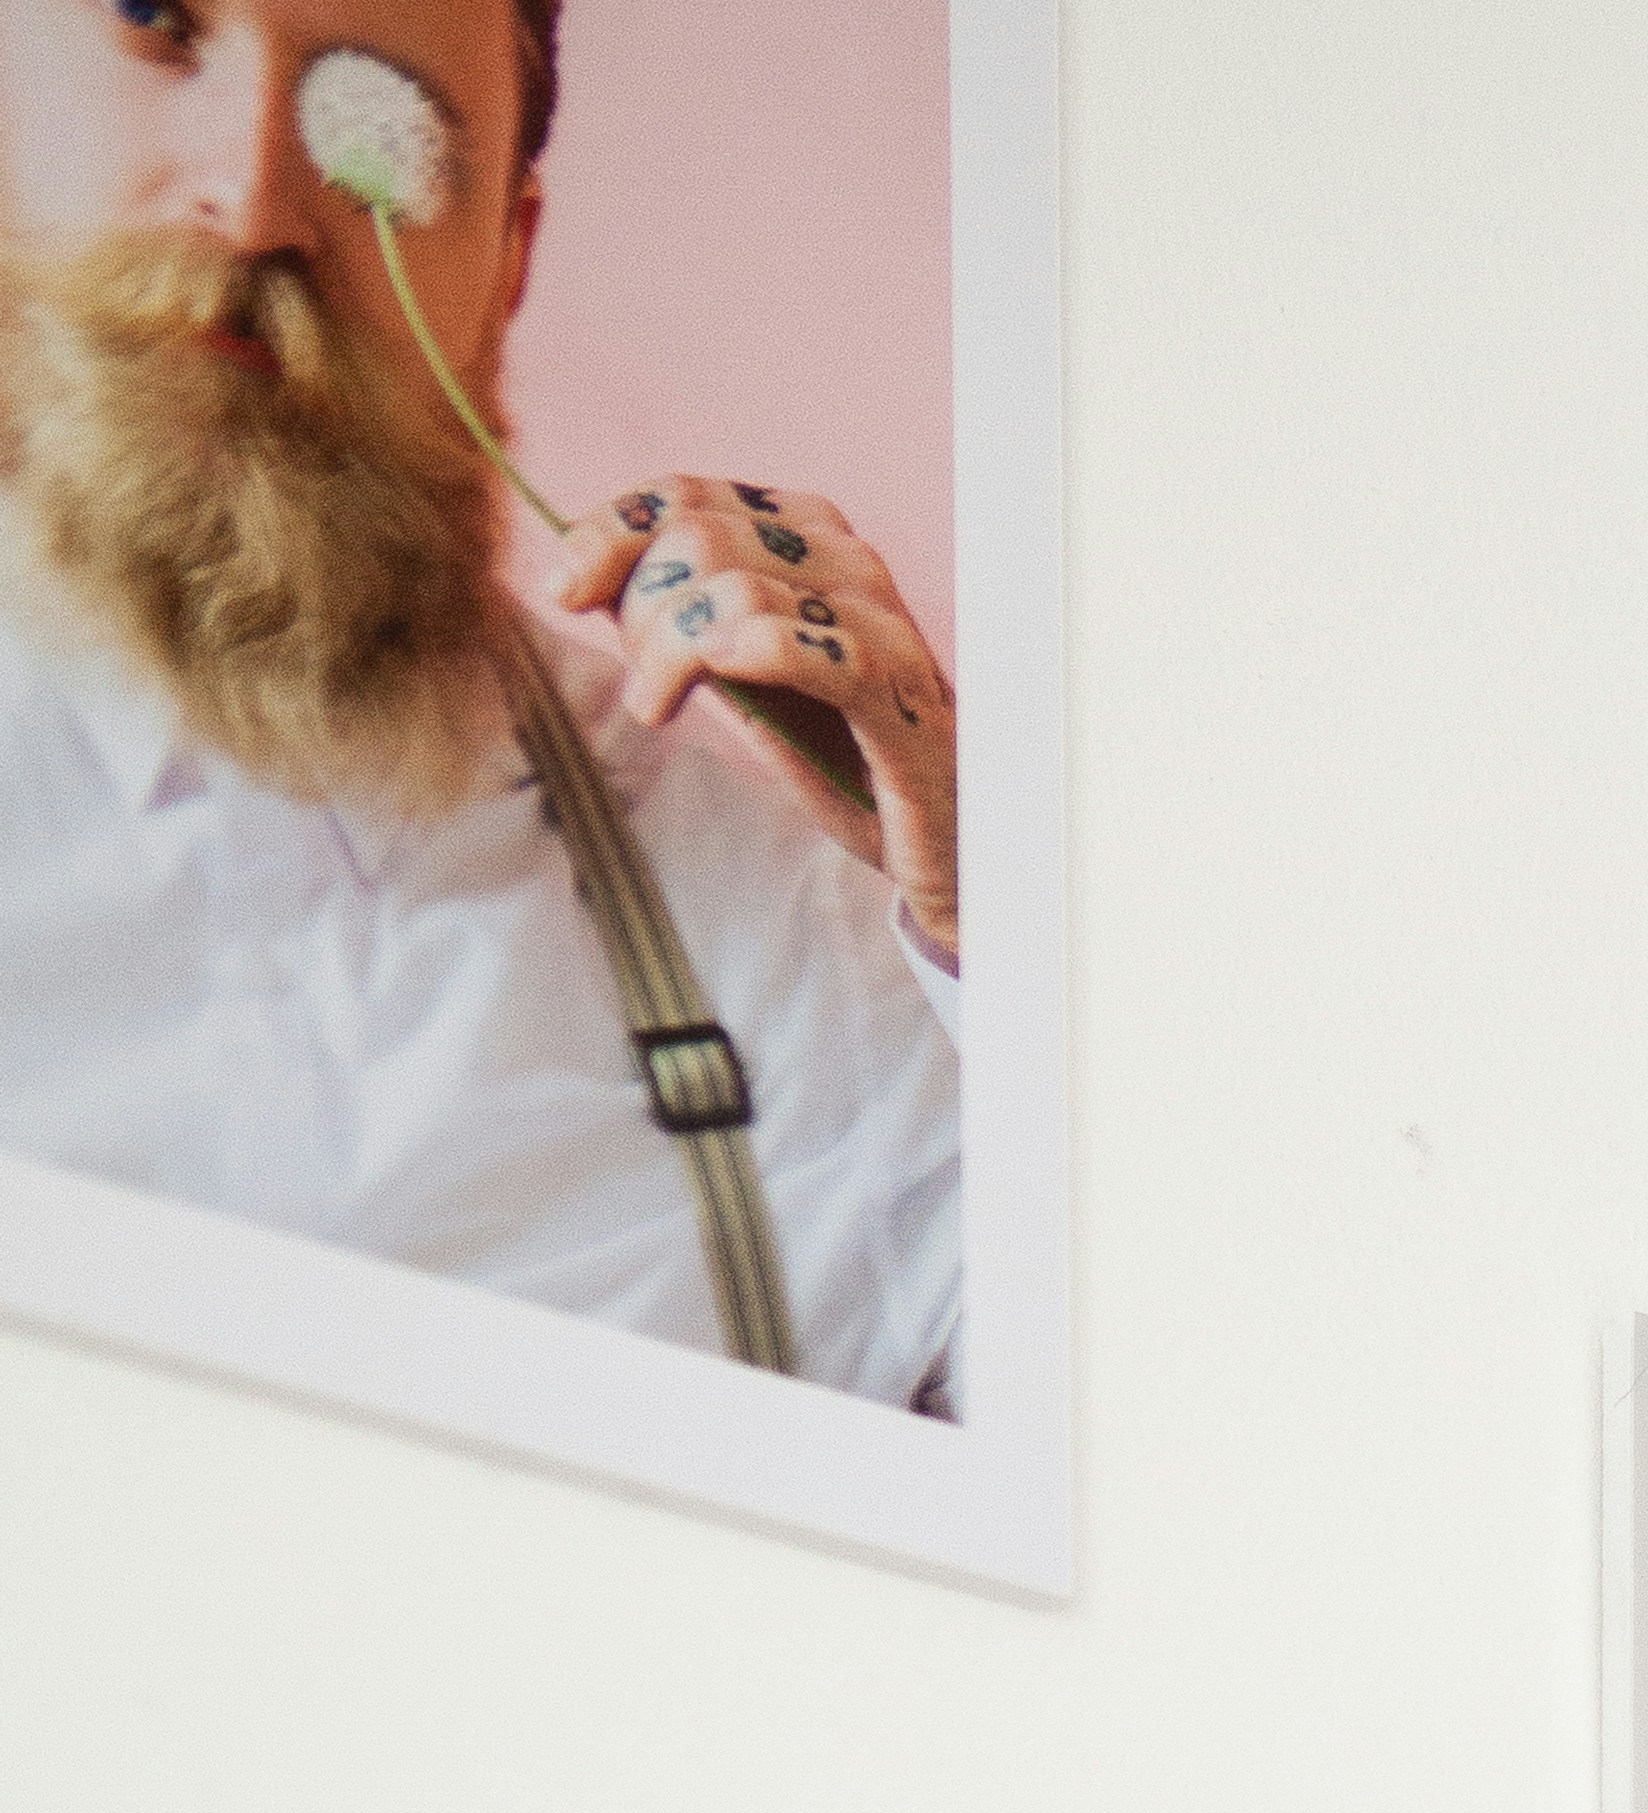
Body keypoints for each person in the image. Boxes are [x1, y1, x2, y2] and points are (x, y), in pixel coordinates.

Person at [0, 0, 962, 1404]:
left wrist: (976, 906)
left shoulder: (797, 947)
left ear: (507, 264)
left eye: (378, 101)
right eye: (157, 21)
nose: (255, 198)